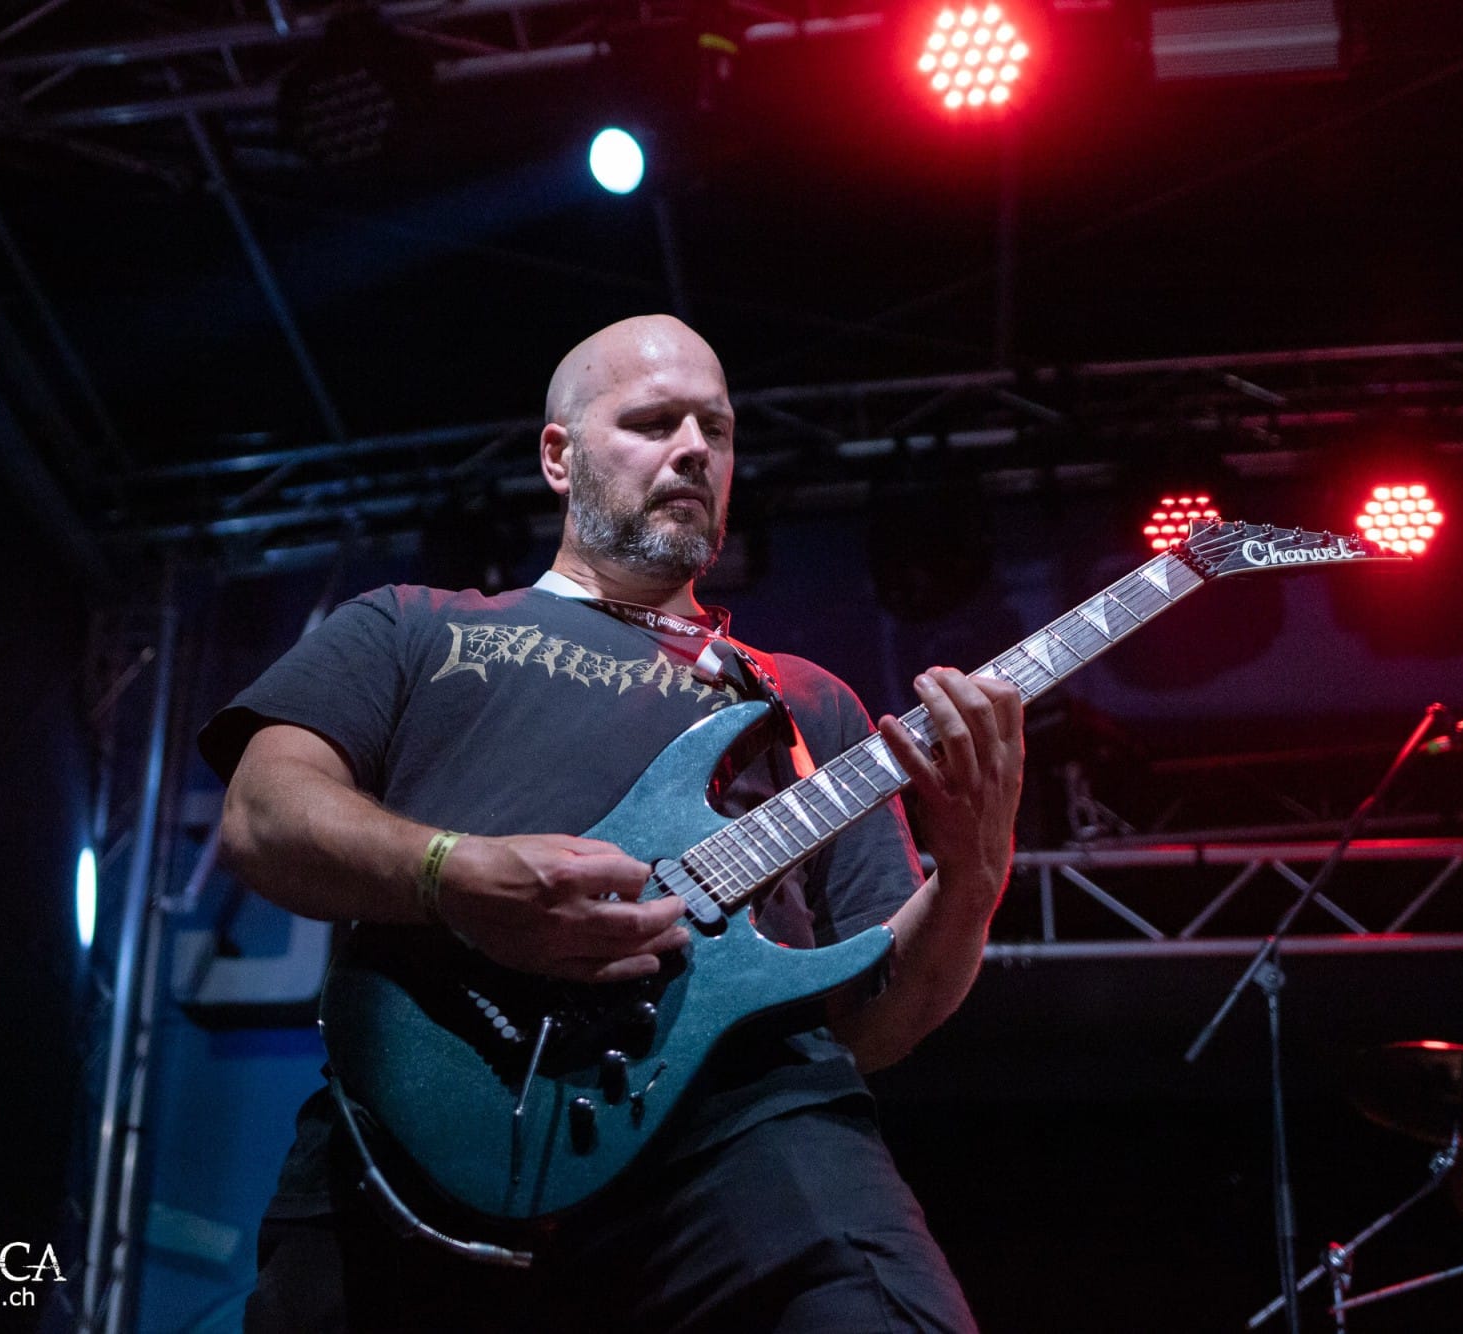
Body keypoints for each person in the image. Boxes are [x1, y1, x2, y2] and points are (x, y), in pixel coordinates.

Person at [199, 314, 1026, 1332]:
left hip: (749, 1136)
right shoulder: (412, 624)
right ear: (559, 456)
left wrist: (972, 878)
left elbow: (876, 1025)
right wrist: (452, 872)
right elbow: (263, 812)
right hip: (425, 1124)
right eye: (651, 421)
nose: (693, 449)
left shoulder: (806, 700)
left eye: (715, 429)